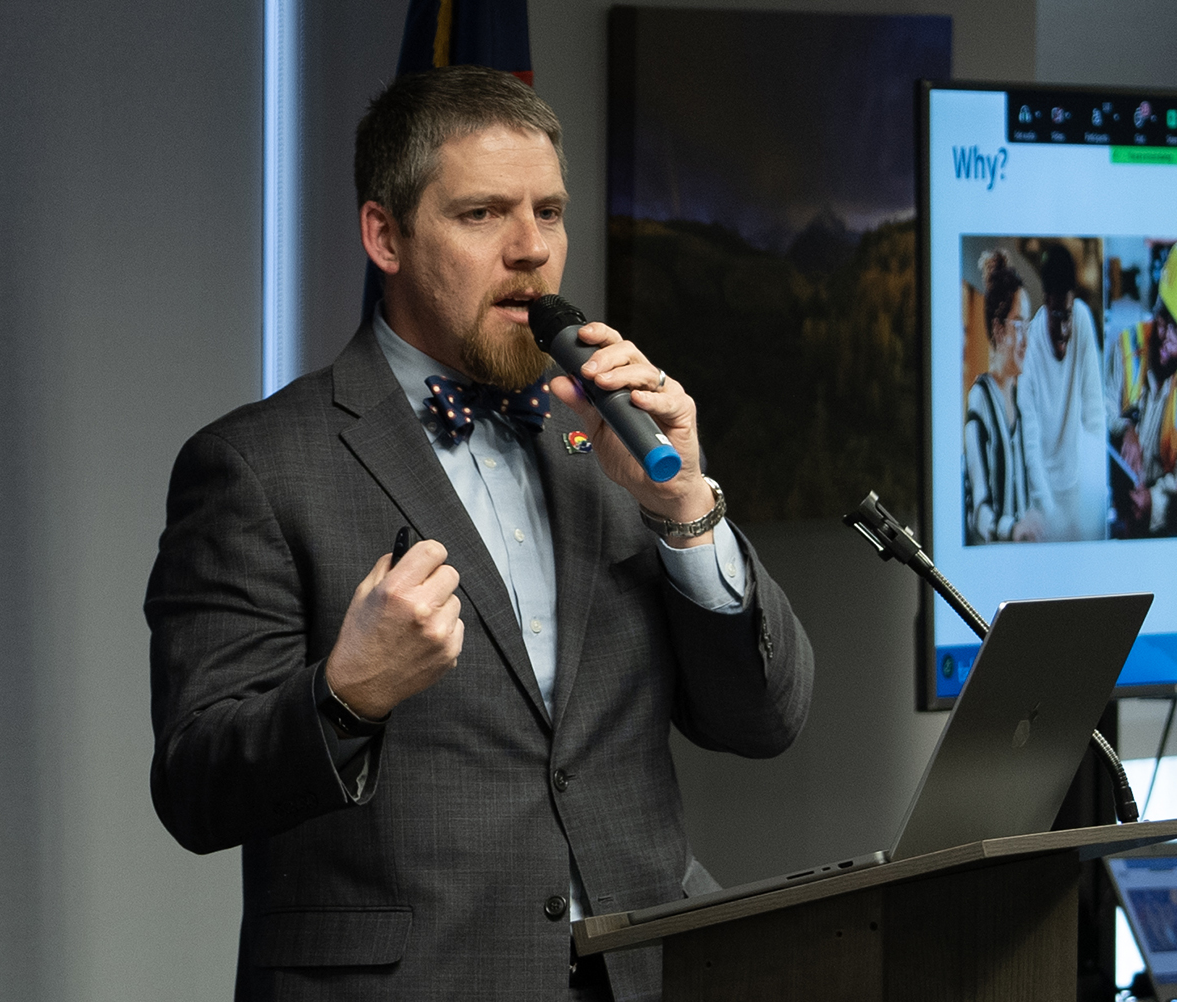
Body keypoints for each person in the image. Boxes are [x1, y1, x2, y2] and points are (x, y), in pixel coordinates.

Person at [145, 66, 813, 1001]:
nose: (531, 250)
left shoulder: (615, 431)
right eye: (481, 214)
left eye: (550, 211)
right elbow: (195, 787)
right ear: (385, 234)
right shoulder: (256, 467)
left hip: (646, 975)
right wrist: (346, 698)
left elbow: (766, 718)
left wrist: (685, 512)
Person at [1105, 241, 1177, 537]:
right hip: (1123, 514)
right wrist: (1124, 427)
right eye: (1162, 318)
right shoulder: (1126, 345)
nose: (1166, 337)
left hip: (1166, 523)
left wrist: (1152, 501)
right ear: (1155, 308)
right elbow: (1101, 412)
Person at [1018, 243, 1107, 541]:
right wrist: (1047, 508)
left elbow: (1094, 408)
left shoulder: (1080, 319)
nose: (1064, 328)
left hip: (1080, 489)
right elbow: (1029, 440)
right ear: (1045, 302)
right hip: (1044, 494)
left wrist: (1098, 487)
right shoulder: (1029, 347)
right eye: (1057, 316)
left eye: (1067, 314)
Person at [963, 251, 1044, 543]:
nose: (1027, 340)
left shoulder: (1022, 401)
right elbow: (979, 513)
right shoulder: (980, 400)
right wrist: (1014, 529)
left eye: (1028, 327)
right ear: (998, 330)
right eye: (1019, 325)